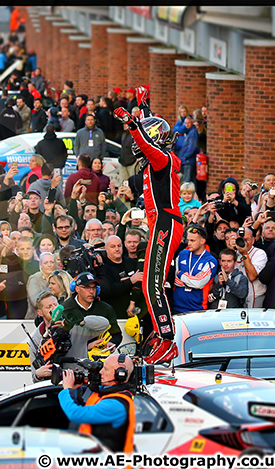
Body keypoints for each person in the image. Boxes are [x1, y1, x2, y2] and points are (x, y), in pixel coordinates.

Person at [113, 88, 183, 363]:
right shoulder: (162, 157)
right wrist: (143, 108)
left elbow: (145, 142)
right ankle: (161, 333)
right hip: (162, 222)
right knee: (153, 282)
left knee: (151, 284)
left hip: (165, 221)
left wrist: (132, 123)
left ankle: (167, 340)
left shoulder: (161, 159)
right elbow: (151, 133)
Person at [59, 353, 136, 454]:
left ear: (119, 375)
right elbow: (89, 400)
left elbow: (75, 414)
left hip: (107, 466)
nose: (101, 372)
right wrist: (76, 389)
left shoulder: (116, 405)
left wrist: (66, 389)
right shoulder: (106, 392)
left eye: (106, 369)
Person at [173, 225, 218, 313]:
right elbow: (173, 279)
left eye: (192, 241)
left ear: (202, 241)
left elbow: (198, 283)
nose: (188, 243)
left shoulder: (210, 260)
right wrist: (191, 279)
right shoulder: (182, 254)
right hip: (176, 308)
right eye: (188, 240)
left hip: (197, 310)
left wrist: (181, 274)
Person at [234, 225, 268, 308]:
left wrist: (245, 254)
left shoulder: (259, 253)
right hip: (236, 295)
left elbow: (252, 276)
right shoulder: (234, 252)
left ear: (253, 240)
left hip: (254, 296)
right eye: (240, 239)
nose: (243, 242)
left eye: (246, 239)